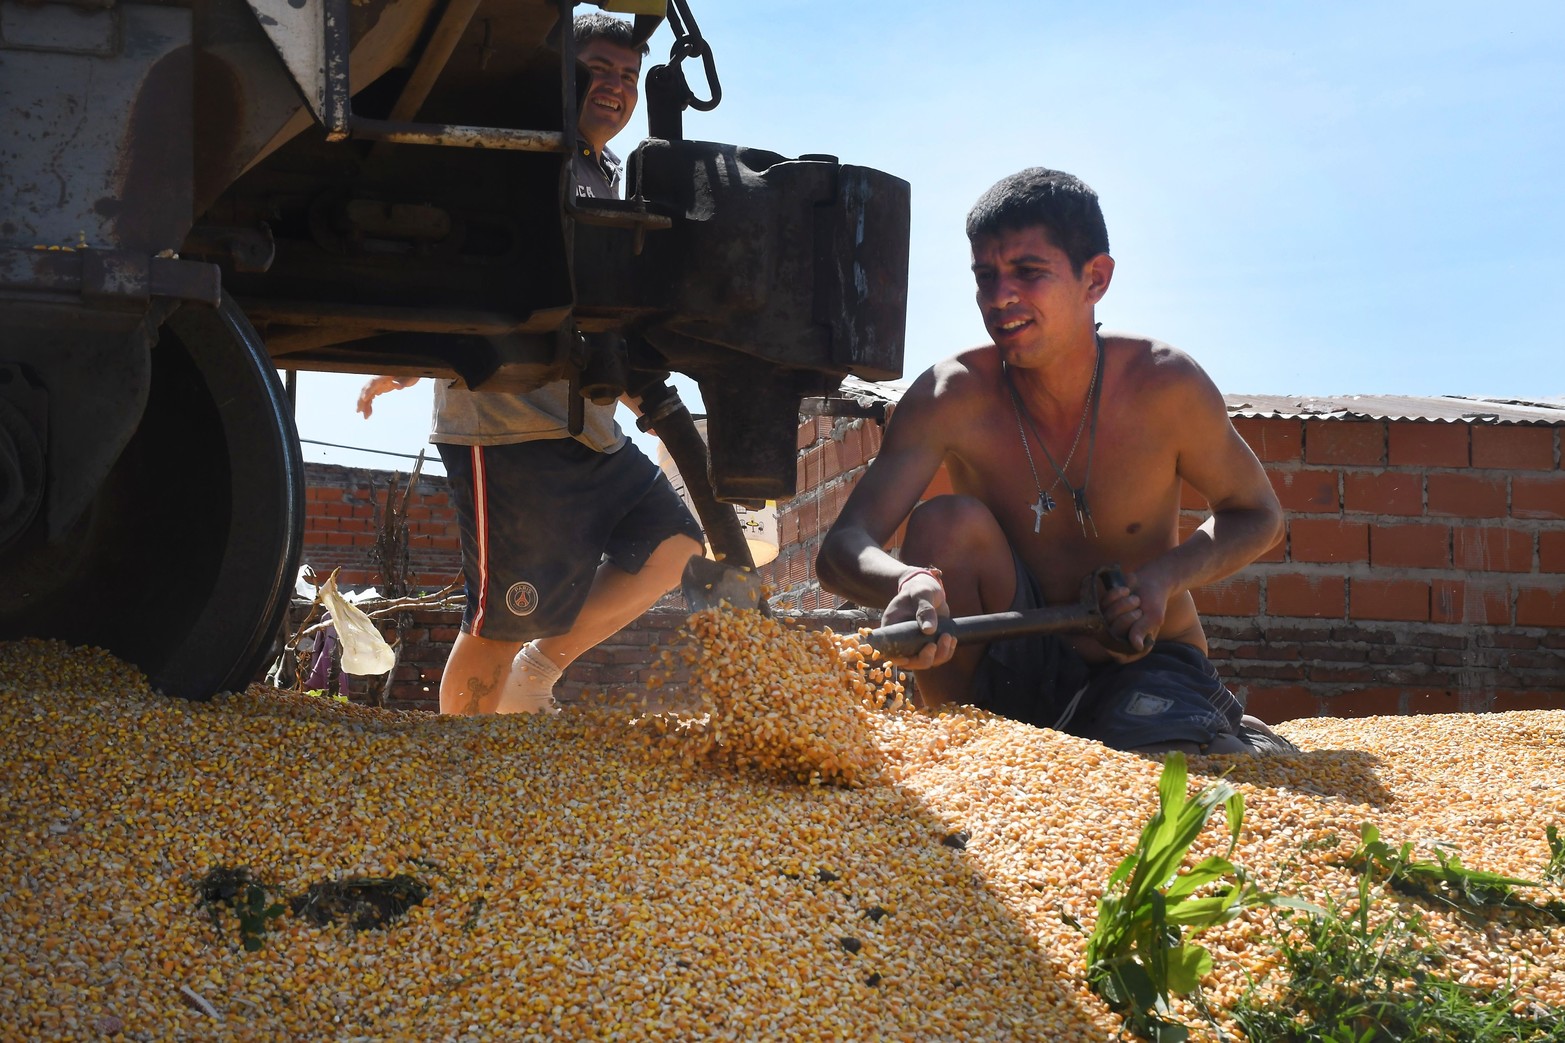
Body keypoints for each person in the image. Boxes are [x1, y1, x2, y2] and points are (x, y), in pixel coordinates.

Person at [816, 167, 1291, 756]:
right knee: (945, 523)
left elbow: (1259, 516)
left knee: (1162, 782)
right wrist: (908, 580)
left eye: (1028, 273)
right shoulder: (950, 396)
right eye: (984, 277)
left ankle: (1222, 733)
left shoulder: (1164, 385)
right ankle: (962, 750)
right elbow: (842, 549)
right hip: (1009, 668)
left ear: (1096, 278)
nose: (999, 297)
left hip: (1143, 665)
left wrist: (1162, 578)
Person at [357, 14, 703, 716]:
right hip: (505, 429)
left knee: (673, 546)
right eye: (599, 69)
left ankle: (536, 674)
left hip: (591, 433)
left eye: (628, 77)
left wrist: (660, 418)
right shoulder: (521, 160)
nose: (615, 87)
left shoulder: (607, 176)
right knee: (496, 622)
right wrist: (410, 357)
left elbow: (608, 325)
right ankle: (463, 777)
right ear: (557, 73)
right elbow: (464, 262)